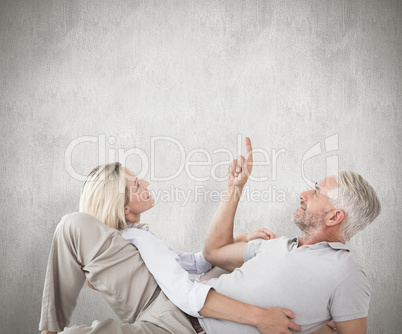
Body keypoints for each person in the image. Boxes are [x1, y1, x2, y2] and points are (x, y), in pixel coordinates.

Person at [39, 161, 301, 334]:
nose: (147, 185)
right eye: (137, 185)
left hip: (175, 315)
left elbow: (194, 262)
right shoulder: (132, 241)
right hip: (169, 319)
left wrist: (242, 238)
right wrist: (258, 317)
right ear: (124, 208)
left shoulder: (141, 236)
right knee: (72, 223)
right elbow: (183, 291)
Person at [200, 138, 381, 334]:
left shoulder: (347, 273)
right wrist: (234, 188)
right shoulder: (274, 244)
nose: (303, 194)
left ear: (334, 217)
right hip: (176, 309)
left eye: (317, 193)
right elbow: (213, 252)